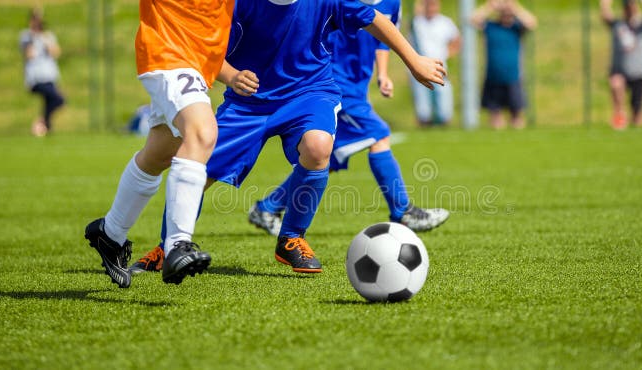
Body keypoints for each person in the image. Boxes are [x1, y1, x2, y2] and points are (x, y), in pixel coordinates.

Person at [128, 0, 447, 276]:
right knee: (198, 167)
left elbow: (374, 19)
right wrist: (231, 75)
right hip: (248, 102)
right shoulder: (237, 3)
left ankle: (292, 238)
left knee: (319, 146)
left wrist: (414, 59)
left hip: (309, 92)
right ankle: (168, 247)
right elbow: (204, 49)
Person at [83, 0, 235, 288]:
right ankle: (177, 245)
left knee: (161, 151)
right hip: (167, 52)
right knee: (202, 132)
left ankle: (109, 233)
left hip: (196, 61)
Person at [471, 0, 537, 130]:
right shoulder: (491, 26)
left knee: (516, 114)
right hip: (492, 77)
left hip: (513, 77)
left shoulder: (516, 28)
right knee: (495, 116)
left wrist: (515, 7)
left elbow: (532, 23)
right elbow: (473, 19)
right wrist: (490, 6)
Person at [601, 0, 642, 130]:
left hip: (639, 72)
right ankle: (619, 115)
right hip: (620, 71)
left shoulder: (641, 25)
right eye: (627, 6)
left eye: (632, 6)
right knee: (615, 82)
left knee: (638, 116)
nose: (629, 9)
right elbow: (605, 16)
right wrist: (605, 4)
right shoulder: (618, 25)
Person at [409, 0, 460, 127]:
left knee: (443, 103)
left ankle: (442, 125)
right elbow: (413, 17)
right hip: (420, 69)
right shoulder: (417, 22)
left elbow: (457, 40)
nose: (431, 7)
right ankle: (424, 125)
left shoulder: (445, 22)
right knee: (423, 106)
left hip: (439, 68)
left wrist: (446, 55)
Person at [20, 8, 65, 137]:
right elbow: (30, 55)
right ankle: (41, 122)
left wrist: (44, 39)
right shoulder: (26, 36)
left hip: (49, 76)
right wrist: (34, 37)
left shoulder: (48, 36)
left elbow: (55, 53)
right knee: (58, 99)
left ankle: (46, 128)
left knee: (51, 102)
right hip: (35, 78)